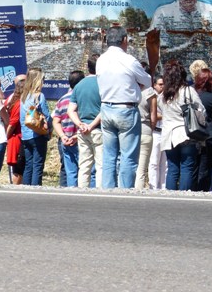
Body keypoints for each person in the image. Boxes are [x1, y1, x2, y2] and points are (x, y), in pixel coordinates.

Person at [96, 26, 151, 188]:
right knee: (128, 156)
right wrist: (134, 86)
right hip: (126, 109)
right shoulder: (129, 60)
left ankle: (108, 189)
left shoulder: (101, 60)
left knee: (109, 155)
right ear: (124, 40)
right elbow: (147, 81)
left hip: (106, 108)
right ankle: (125, 190)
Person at [159, 60, 206, 190]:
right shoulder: (188, 91)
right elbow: (201, 110)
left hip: (168, 135)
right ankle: (184, 196)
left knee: (172, 169)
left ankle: (169, 197)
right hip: (186, 133)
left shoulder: (163, 95)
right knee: (187, 168)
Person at [68, 56, 102, 188]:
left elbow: (71, 110)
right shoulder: (103, 84)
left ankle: (82, 191)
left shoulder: (78, 86)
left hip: (82, 131)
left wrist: (80, 124)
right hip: (98, 129)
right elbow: (104, 108)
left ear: (88, 68)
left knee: (84, 165)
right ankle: (100, 193)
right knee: (101, 165)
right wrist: (92, 125)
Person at [53, 70, 85, 187]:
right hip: (80, 138)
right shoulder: (82, 98)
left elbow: (56, 121)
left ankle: (72, 193)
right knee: (85, 169)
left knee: (70, 172)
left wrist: (63, 136)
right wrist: (76, 136)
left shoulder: (62, 99)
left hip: (66, 140)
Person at [20, 67, 51, 186]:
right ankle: (36, 190)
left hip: (26, 135)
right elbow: (47, 116)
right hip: (38, 134)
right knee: (38, 165)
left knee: (29, 164)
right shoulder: (39, 96)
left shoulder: (24, 96)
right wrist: (49, 129)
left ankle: (26, 188)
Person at [194, 68, 212, 192]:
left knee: (194, 166)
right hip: (210, 134)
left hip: (193, 133)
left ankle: (191, 189)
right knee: (210, 166)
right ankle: (208, 191)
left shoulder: (191, 93)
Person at [135, 72, 158, 189]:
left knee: (129, 164)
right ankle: (138, 191)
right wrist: (151, 126)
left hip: (130, 131)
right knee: (142, 168)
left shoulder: (129, 89)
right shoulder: (149, 92)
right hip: (145, 129)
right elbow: (153, 116)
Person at [5, 75, 26, 184]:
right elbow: (12, 122)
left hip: (16, 137)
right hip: (17, 137)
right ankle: (15, 189)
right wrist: (6, 137)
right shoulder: (18, 103)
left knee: (19, 167)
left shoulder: (13, 99)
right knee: (18, 168)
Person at [148, 75, 168, 190]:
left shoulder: (167, 97)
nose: (163, 86)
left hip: (165, 132)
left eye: (164, 84)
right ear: (154, 85)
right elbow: (153, 115)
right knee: (154, 161)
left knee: (164, 164)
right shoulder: (152, 97)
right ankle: (153, 186)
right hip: (155, 132)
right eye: (160, 84)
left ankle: (163, 187)